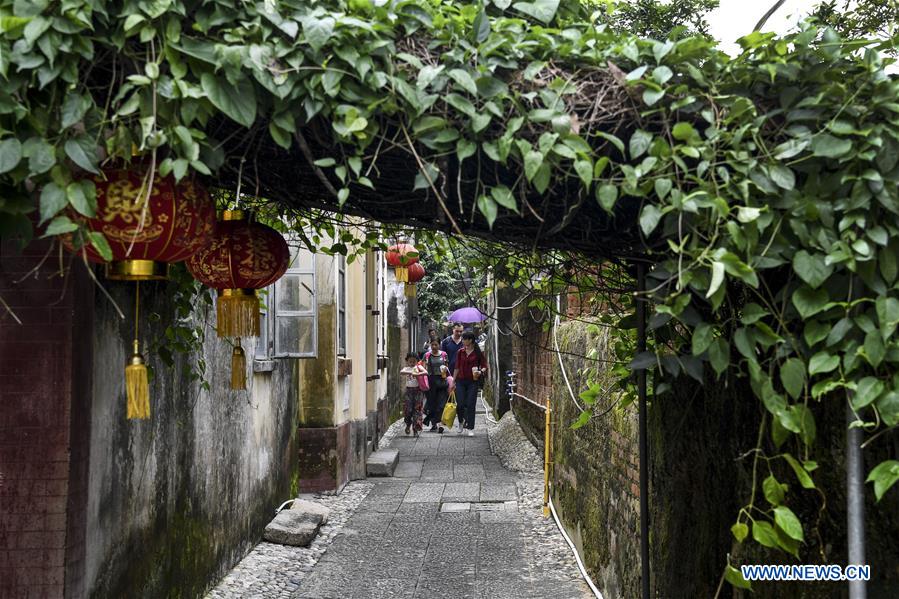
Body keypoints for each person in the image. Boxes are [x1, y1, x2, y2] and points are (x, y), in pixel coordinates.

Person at [453, 331, 487, 437]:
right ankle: (461, 422)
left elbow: (484, 365)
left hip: (473, 381)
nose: (462, 341)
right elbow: (457, 367)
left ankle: (471, 427)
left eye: (464, 339)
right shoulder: (460, 352)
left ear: (470, 340)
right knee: (460, 404)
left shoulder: (477, 352)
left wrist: (480, 372)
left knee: (471, 404)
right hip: (460, 381)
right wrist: (453, 381)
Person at [422, 339, 450, 433]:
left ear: (439, 345)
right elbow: (422, 367)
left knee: (441, 404)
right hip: (431, 381)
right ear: (430, 345)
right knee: (432, 404)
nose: (434, 347)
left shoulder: (444, 354)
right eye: (432, 344)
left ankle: (440, 423)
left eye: (436, 345)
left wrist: (445, 370)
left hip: (442, 381)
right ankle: (434, 424)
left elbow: (446, 366)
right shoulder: (427, 355)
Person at [400, 352, 427, 437]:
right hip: (409, 391)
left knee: (417, 409)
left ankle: (416, 428)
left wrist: (417, 373)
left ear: (417, 361)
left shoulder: (418, 367)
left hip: (418, 391)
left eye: (414, 361)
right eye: (410, 361)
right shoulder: (406, 368)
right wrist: (410, 372)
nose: (412, 363)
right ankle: (408, 424)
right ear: (407, 361)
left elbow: (425, 372)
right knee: (408, 410)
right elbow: (402, 372)